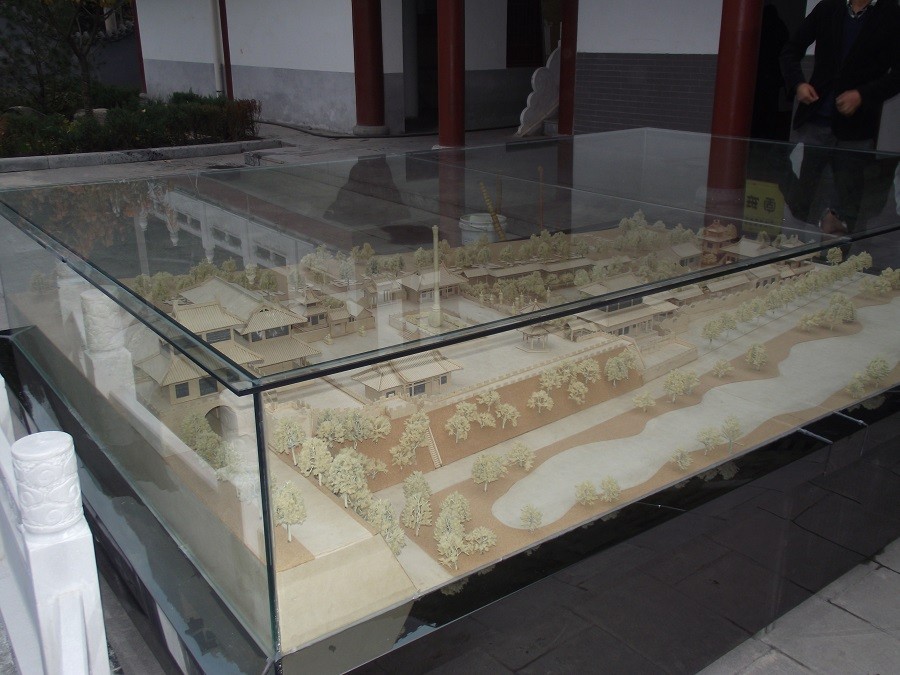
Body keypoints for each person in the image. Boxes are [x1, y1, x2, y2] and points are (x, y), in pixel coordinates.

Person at [779, 0, 900, 234]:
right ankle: (802, 245)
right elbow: (791, 49)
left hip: (856, 128)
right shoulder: (829, 7)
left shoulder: (891, 15)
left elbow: (898, 75)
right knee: (804, 196)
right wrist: (798, 84)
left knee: (848, 201)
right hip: (816, 120)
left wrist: (862, 95)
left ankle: (839, 249)